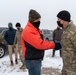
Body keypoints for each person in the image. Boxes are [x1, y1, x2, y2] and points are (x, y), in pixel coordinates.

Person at [21, 9, 61, 75]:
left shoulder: (34, 29)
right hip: (32, 60)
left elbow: (38, 41)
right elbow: (39, 44)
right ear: (33, 20)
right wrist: (54, 45)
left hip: (34, 58)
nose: (39, 22)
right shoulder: (29, 31)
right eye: (38, 20)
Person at [57, 10, 76, 75]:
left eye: (59, 19)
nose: (58, 21)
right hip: (66, 66)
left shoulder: (73, 32)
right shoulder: (65, 30)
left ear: (63, 20)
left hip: (73, 69)